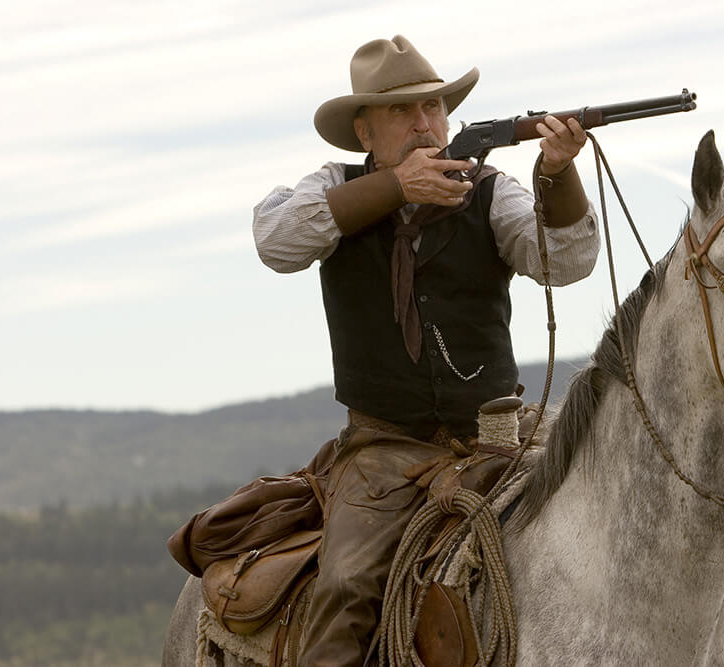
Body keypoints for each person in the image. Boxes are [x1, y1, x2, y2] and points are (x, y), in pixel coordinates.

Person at [251, 35, 600, 666]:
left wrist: (558, 171)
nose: (424, 122)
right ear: (364, 132)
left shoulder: (492, 190)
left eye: (434, 108)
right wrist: (395, 190)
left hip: (499, 431)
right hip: (383, 449)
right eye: (402, 112)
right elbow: (276, 242)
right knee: (345, 588)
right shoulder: (336, 187)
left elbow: (566, 261)